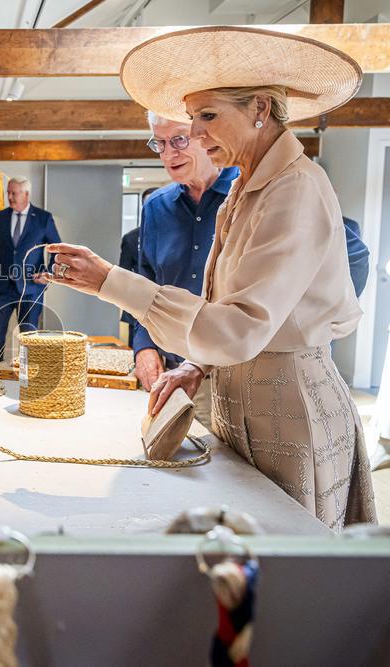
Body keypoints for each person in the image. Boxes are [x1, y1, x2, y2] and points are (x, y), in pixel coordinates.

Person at [45, 26, 375, 529]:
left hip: (290, 412)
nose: (194, 135)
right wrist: (195, 364)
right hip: (237, 403)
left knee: (283, 577)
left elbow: (240, 328)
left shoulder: (296, 190)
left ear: (260, 109)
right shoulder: (245, 193)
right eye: (190, 119)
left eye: (207, 116)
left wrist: (111, 281)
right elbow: (221, 305)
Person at [133, 113, 240, 429]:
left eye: (179, 139)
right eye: (160, 143)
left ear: (207, 135)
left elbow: (351, 256)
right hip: (170, 373)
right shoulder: (156, 206)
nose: (168, 154)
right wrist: (144, 346)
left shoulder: (250, 193)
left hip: (232, 377)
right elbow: (147, 283)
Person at [0, 176, 60, 361]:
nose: (9, 196)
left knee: (29, 337)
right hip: (2, 288)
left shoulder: (43, 218)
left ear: (26, 194)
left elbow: (58, 249)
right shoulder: (0, 217)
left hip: (31, 289)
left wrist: (48, 274)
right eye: (8, 192)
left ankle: (28, 379)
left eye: (13, 193)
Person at [117, 187, 158, 348]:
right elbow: (123, 273)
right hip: (138, 302)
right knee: (137, 351)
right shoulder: (132, 238)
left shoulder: (178, 237)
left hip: (170, 304)